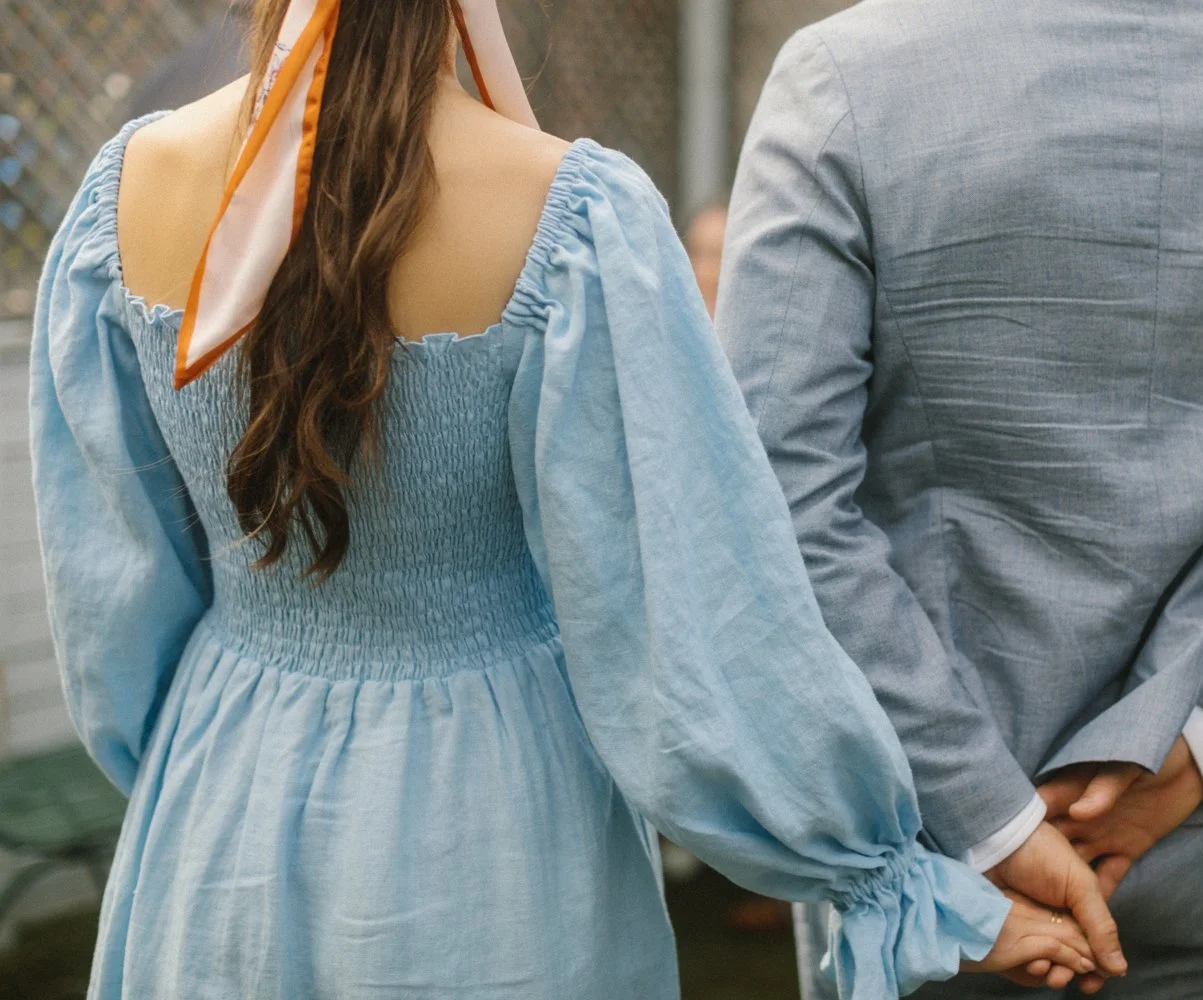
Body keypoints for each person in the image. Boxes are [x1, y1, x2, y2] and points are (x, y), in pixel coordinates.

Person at [30, 2, 1106, 997]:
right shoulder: (576, 217)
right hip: (492, 823)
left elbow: (112, 611)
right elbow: (692, 628)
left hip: (219, 808)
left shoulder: (124, 188)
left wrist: (195, 760)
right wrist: (893, 884)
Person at [716, 1, 1203, 997]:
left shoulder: (844, 77)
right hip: (1193, 837)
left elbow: (770, 490)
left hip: (920, 844)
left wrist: (990, 815)